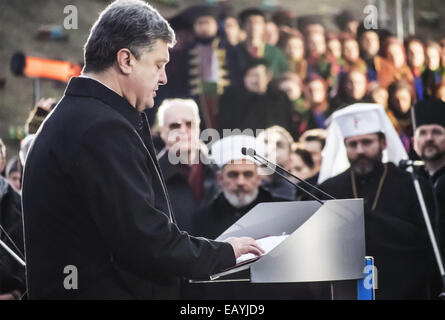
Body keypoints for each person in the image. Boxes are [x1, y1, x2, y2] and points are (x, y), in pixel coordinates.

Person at [21, 0, 263, 300]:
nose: (163, 78)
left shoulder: (82, 116)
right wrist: (225, 253)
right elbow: (144, 238)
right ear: (126, 60)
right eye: (158, 65)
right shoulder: (101, 128)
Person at [317, 103, 438, 299]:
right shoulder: (329, 189)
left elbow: (425, 241)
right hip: (347, 288)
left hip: (402, 286)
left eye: (367, 142)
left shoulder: (412, 184)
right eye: (352, 144)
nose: (360, 150)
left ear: (383, 143)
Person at [156, 98, 219, 232]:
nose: (183, 130)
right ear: (163, 131)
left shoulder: (218, 170)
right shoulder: (150, 175)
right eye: (175, 126)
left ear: (198, 127)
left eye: (189, 124)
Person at [217, 58, 293, 135]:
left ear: (268, 77)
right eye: (249, 75)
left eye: (257, 75)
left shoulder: (278, 98)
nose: (253, 80)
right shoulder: (232, 99)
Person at [412, 98, 445, 261]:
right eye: (422, 133)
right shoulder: (411, 182)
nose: (429, 138)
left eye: (437, 132)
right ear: (414, 142)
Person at [237, 8, 288, 76]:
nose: (253, 26)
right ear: (244, 26)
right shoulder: (235, 51)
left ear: (264, 26)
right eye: (250, 22)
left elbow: (283, 74)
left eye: (257, 22)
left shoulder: (275, 53)